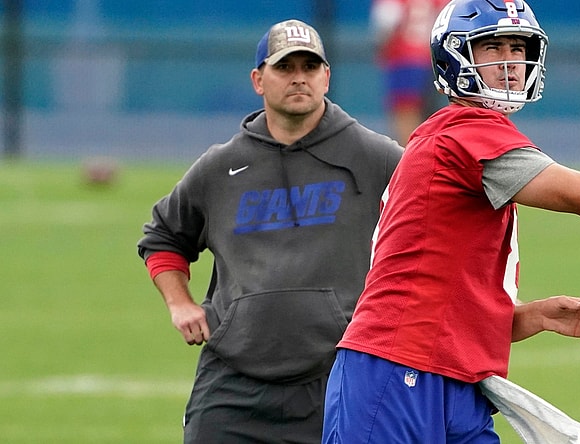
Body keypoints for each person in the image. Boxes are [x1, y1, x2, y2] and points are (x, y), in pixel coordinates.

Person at [321, 0, 580, 442]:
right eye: (492, 47)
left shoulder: (453, 134)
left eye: (518, 48)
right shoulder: (465, 131)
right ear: (454, 54)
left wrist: (526, 318)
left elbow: (437, 289)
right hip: (398, 369)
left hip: (451, 375)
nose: (510, 63)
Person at [137, 19, 403, 443]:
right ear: (258, 80)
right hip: (232, 380)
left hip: (337, 377)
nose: (299, 77)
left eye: (310, 66)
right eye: (284, 67)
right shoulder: (220, 166)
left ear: (327, 77)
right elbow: (164, 237)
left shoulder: (377, 158)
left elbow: (431, 228)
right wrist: (180, 303)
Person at [370, 0, 447, 145]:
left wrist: (382, 50)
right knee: (429, 117)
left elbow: (386, 21)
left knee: (405, 115)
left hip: (403, 59)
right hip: (430, 60)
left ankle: (412, 158)